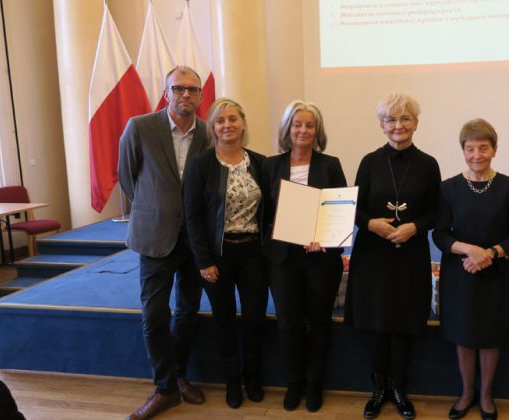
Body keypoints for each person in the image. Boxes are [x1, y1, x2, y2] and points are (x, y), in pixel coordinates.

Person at [118, 65, 208, 420]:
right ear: (166, 92)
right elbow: (128, 177)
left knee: (187, 310)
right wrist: (155, 209)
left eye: (192, 89)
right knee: (154, 314)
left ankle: (179, 376)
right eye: (178, 88)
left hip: (194, 239)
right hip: (155, 235)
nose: (185, 94)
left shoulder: (208, 132)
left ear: (200, 95)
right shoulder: (139, 127)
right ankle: (165, 388)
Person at [345, 93, 441, 420]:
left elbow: (436, 213)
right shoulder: (370, 162)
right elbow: (354, 209)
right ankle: (378, 388)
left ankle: (399, 388)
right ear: (382, 125)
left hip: (410, 254)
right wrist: (371, 224)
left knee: (403, 321)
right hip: (373, 254)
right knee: (376, 322)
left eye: (405, 119)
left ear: (416, 123)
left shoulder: (428, 164)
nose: (398, 125)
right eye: (391, 120)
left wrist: (414, 227)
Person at [433, 118, 509, 420]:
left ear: (494, 150)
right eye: (470, 149)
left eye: (483, 148)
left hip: (494, 272)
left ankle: (485, 394)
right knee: (463, 333)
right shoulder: (448, 188)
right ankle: (466, 393)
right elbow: (440, 234)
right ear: (463, 150)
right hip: (459, 271)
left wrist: (490, 253)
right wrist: (469, 250)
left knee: (490, 335)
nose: (476, 155)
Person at [261, 100, 347, 412]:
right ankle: (294, 382)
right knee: (288, 323)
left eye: (310, 125)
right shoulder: (270, 165)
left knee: (319, 322)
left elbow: (339, 211)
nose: (303, 130)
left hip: (320, 259)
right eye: (297, 124)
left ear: (317, 131)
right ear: (287, 129)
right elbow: (264, 215)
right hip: (283, 259)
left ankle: (314, 384)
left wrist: (324, 238)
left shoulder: (330, 164)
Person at [183, 98, 268, 409]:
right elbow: (192, 215)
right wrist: (203, 260)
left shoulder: (260, 163)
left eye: (233, 119)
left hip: (254, 253)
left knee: (255, 319)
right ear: (213, 127)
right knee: (224, 320)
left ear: (243, 124)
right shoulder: (200, 164)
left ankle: (252, 378)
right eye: (220, 120)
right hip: (217, 257)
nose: (227, 125)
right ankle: (232, 382)